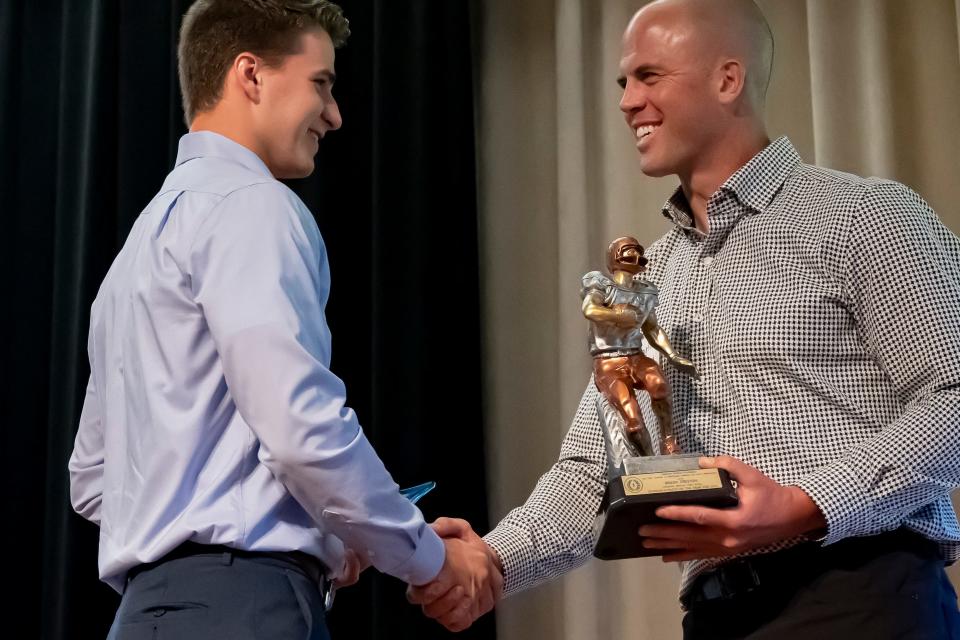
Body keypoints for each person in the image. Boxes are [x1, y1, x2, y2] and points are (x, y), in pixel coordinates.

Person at [408, 0, 960, 636]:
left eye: (649, 76)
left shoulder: (864, 217)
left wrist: (806, 504)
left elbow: (952, 397)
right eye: (623, 83)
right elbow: (598, 468)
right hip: (715, 614)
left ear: (728, 80)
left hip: (859, 595)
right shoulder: (646, 281)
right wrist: (493, 559)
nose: (627, 101)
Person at [67, 1, 487, 638]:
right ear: (251, 76)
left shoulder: (135, 250)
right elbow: (300, 426)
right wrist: (426, 559)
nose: (335, 114)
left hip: (139, 619)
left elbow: (94, 480)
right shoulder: (255, 206)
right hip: (247, 609)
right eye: (321, 83)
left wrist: (319, 530)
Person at [582, 236, 698, 455]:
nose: (634, 255)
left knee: (659, 385)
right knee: (633, 418)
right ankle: (648, 463)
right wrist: (618, 315)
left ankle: (668, 441)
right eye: (628, 250)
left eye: (637, 251)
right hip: (608, 361)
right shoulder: (602, 286)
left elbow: (652, 328)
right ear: (615, 256)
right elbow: (590, 310)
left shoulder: (644, 291)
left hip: (635, 356)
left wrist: (673, 356)